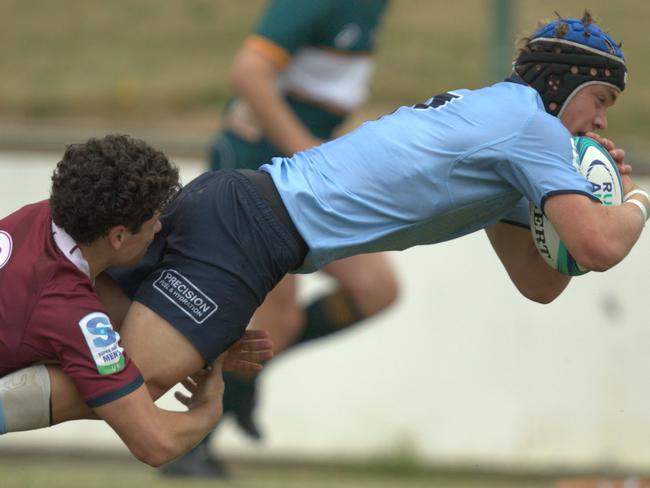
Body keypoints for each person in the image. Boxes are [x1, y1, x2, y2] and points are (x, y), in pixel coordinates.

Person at [3, 12, 649, 470]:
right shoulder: (529, 129)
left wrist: (583, 206)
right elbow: (599, 245)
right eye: (600, 99)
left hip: (236, 209)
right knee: (128, 382)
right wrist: (634, 197)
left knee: (63, 336)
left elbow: (543, 281)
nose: (600, 121)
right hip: (250, 236)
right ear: (561, 83)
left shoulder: (507, 134)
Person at [202, 0, 398, 476]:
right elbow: (249, 73)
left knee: (375, 288)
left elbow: (321, 93)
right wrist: (309, 152)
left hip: (302, 181)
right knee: (277, 317)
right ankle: (193, 441)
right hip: (257, 172)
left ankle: (245, 384)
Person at [0, 134, 273, 467]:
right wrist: (210, 408)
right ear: (118, 236)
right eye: (152, 221)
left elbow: (117, 317)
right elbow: (155, 442)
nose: (158, 228)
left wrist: (195, 348)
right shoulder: (75, 316)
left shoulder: (37, 217)